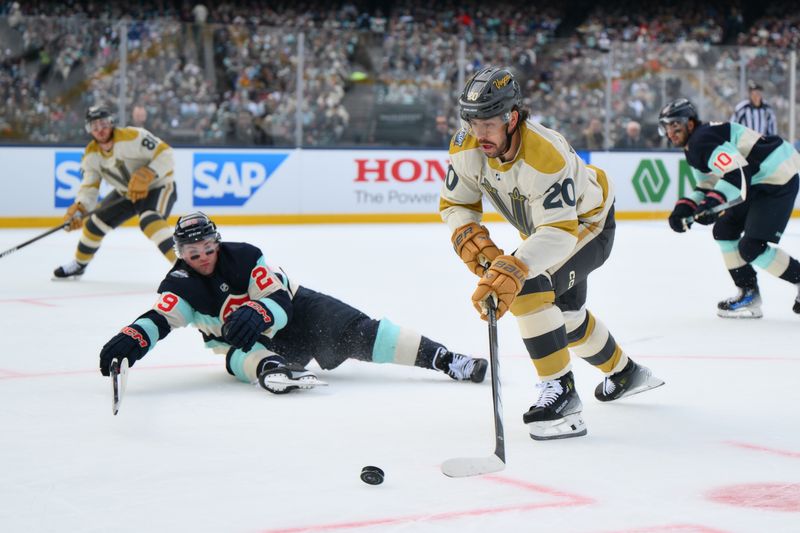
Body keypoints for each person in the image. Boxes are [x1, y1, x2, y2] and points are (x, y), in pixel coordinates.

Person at [441, 66, 664, 441]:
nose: (479, 133)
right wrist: (469, 237)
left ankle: (562, 395)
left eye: (489, 123)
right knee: (566, 318)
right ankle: (626, 374)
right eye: (472, 121)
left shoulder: (544, 155)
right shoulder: (466, 146)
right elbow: (455, 203)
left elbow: (560, 233)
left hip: (587, 224)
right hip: (550, 229)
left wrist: (514, 267)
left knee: (527, 286)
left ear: (512, 118)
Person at [98, 212, 488, 393]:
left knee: (364, 334)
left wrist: (259, 309)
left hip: (298, 310)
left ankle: (445, 359)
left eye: (207, 247)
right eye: (192, 251)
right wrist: (132, 338)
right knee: (236, 355)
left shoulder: (246, 255)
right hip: (260, 342)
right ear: (180, 253)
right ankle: (272, 370)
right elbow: (161, 319)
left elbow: (279, 297)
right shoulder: (179, 284)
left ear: (217, 242)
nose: (202, 256)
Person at [660, 97, 800, 317]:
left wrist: (711, 205)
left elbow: (737, 172)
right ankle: (748, 293)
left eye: (675, 124)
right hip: (758, 177)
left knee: (751, 247)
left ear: (690, 123)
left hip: (777, 176)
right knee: (724, 231)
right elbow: (707, 184)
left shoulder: (701, 140)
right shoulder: (695, 144)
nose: (671, 132)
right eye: (666, 127)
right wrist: (685, 208)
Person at [53, 105, 177, 279]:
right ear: (89, 130)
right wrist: (80, 208)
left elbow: (166, 154)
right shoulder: (90, 156)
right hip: (126, 193)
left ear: (111, 123)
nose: (100, 130)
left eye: (103, 124)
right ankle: (79, 265)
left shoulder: (133, 136)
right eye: (94, 126)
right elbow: (90, 187)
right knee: (93, 225)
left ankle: (186, 267)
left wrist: (149, 173)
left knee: (150, 220)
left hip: (158, 185)